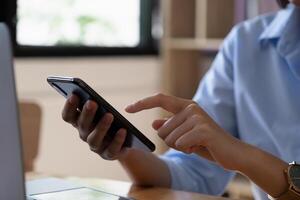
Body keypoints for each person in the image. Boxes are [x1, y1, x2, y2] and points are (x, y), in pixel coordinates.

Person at [61, 0, 300, 199]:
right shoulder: (245, 43)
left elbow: (232, 154)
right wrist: (124, 146)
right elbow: (194, 176)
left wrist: (247, 158)